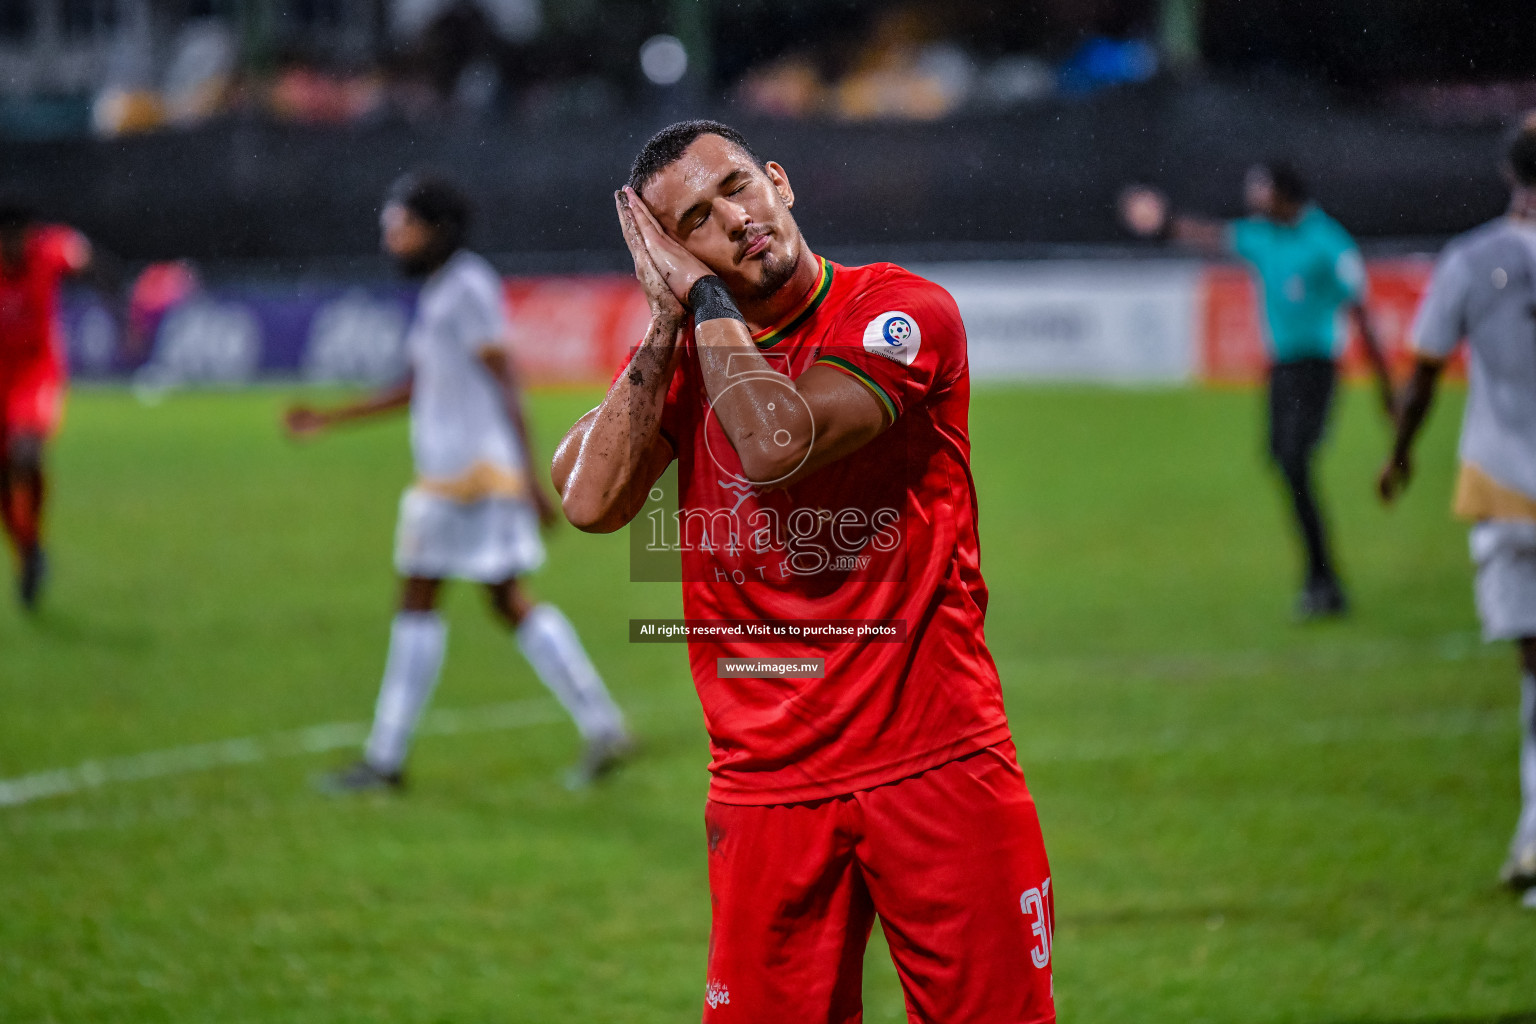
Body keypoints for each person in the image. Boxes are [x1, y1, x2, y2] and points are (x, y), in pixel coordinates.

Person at [554, 121, 1055, 1023]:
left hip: (934, 760)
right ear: (670, 252)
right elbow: (588, 502)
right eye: (697, 220)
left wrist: (702, 302)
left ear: (779, 180)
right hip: (766, 786)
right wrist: (674, 316)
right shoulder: (693, 348)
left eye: (739, 185)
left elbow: (776, 438)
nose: (736, 219)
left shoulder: (897, 309)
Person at [286, 173, 631, 793]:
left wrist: (531, 478)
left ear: (436, 230)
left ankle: (385, 760)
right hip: (467, 478)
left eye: (402, 227)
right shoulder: (446, 289)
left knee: (421, 601)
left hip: (465, 480)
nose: (392, 240)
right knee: (503, 600)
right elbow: (419, 385)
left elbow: (508, 381)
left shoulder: (467, 285)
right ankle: (602, 724)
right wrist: (330, 419)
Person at [1121, 162, 1395, 619]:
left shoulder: (1327, 241)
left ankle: (1322, 581)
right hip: (1282, 370)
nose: (1252, 197)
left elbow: (1361, 313)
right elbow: (1209, 235)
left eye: (1260, 189)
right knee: (1285, 463)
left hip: (1316, 368)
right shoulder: (1262, 235)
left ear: (1284, 193)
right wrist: (1162, 221)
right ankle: (1321, 578)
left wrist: (1386, 389)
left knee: (1292, 460)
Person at [1378, 114, 1536, 893]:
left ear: (1511, 175)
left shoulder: (1473, 259)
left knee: (1534, 667)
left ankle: (1535, 840)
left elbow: (1426, 370)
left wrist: (1400, 455)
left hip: (1505, 490)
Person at [0, 202, 94, 610]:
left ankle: (31, 543)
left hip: (37, 371)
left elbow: (93, 264)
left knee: (26, 452)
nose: (12, 244)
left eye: (17, 235)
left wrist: (124, 312)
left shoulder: (51, 249)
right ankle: (29, 549)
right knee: (4, 477)